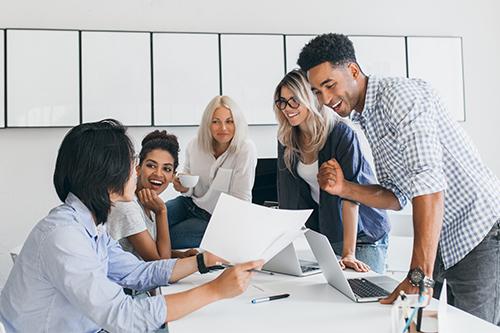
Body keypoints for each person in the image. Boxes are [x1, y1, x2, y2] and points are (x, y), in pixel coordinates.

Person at [298, 33, 500, 324]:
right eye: (317, 91)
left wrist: (419, 275)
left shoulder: (399, 96)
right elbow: (396, 196)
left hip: (478, 230)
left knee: (473, 328)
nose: (326, 99)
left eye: (330, 85)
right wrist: (345, 188)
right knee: (416, 325)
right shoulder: (365, 116)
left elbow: (428, 182)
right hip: (441, 235)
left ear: (353, 71)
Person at [0, 119, 263, 332]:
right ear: (106, 172)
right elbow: (121, 316)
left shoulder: (90, 227)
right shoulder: (64, 236)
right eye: (132, 162)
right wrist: (214, 290)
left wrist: (202, 262)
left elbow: (137, 273)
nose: (134, 171)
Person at [273, 69, 390, 274]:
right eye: (282, 101)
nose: (287, 108)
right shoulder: (287, 139)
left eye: (294, 101)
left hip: (362, 234)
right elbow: (286, 195)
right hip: (329, 230)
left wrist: (349, 253)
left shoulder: (341, 134)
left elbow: (350, 197)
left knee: (360, 291)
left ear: (310, 98)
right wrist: (279, 246)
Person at [167, 95, 258, 249]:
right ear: (207, 124)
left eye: (229, 121)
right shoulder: (194, 145)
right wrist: (183, 187)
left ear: (237, 122)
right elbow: (189, 187)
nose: (223, 128)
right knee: (152, 220)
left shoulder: (245, 149)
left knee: (166, 237)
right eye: (216, 122)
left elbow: (241, 201)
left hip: (214, 221)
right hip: (189, 204)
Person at [107, 130, 197, 263]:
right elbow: (160, 263)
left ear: (172, 176)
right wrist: (161, 212)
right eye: (151, 166)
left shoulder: (148, 201)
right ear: (138, 169)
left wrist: (180, 255)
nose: (158, 174)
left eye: (166, 169)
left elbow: (152, 249)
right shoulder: (128, 207)